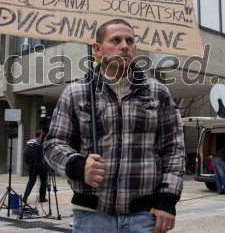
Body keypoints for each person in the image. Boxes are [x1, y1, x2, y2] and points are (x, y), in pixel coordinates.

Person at [44, 19, 185, 233]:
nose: (124, 46)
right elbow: (53, 144)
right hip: (91, 216)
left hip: (145, 215)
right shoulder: (76, 93)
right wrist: (78, 166)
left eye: (130, 41)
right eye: (116, 40)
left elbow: (174, 149)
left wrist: (167, 200)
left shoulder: (158, 93)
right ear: (98, 48)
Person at [22, 130, 48, 204]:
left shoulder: (31, 142)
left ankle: (25, 197)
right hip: (41, 165)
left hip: (32, 164)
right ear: (40, 135)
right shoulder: (41, 142)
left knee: (31, 181)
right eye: (42, 134)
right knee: (43, 181)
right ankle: (42, 198)